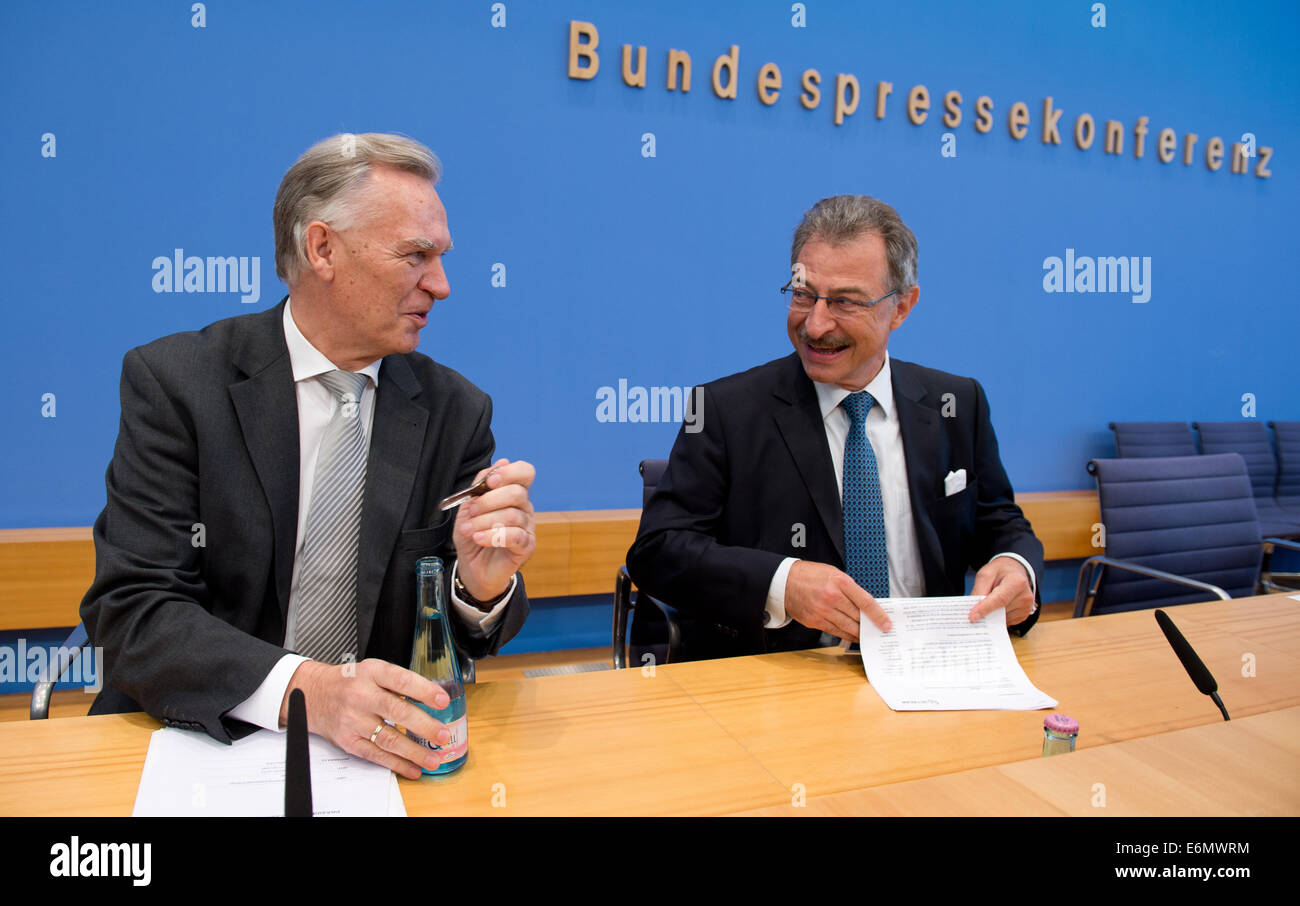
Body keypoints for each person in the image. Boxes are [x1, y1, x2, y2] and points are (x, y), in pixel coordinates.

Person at [81, 133, 535, 779]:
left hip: (376, 759)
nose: (441, 284)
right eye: (416, 255)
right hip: (194, 744)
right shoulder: (178, 385)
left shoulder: (455, 411)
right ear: (323, 248)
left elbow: (467, 639)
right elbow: (135, 612)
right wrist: (310, 693)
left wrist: (478, 589)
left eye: (441, 257)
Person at [626, 194, 1043, 660]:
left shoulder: (957, 403)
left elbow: (999, 521)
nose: (816, 324)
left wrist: (1016, 565)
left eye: (845, 302)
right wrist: (783, 583)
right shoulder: (724, 410)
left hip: (931, 668)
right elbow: (658, 552)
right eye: (804, 295)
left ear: (902, 307)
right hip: (783, 683)